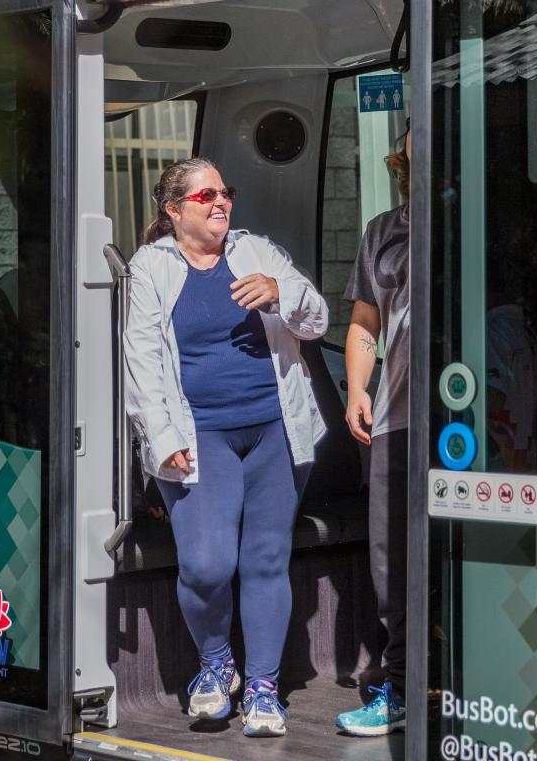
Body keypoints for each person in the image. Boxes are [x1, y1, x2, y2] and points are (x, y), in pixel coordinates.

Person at [123, 157, 330, 738]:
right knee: (208, 564)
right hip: (196, 437)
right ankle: (216, 664)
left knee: (266, 561)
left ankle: (263, 686)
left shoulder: (258, 252)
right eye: (205, 194)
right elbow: (140, 363)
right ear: (173, 210)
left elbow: (317, 319)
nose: (220, 202)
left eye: (225, 192)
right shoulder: (151, 268)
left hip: (274, 431)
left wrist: (281, 292)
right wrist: (162, 440)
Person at [336, 124, 411, 737]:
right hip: (396, 415)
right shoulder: (383, 232)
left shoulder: (475, 216)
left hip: (466, 417)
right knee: (391, 559)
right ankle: (403, 686)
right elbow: (364, 323)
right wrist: (359, 389)